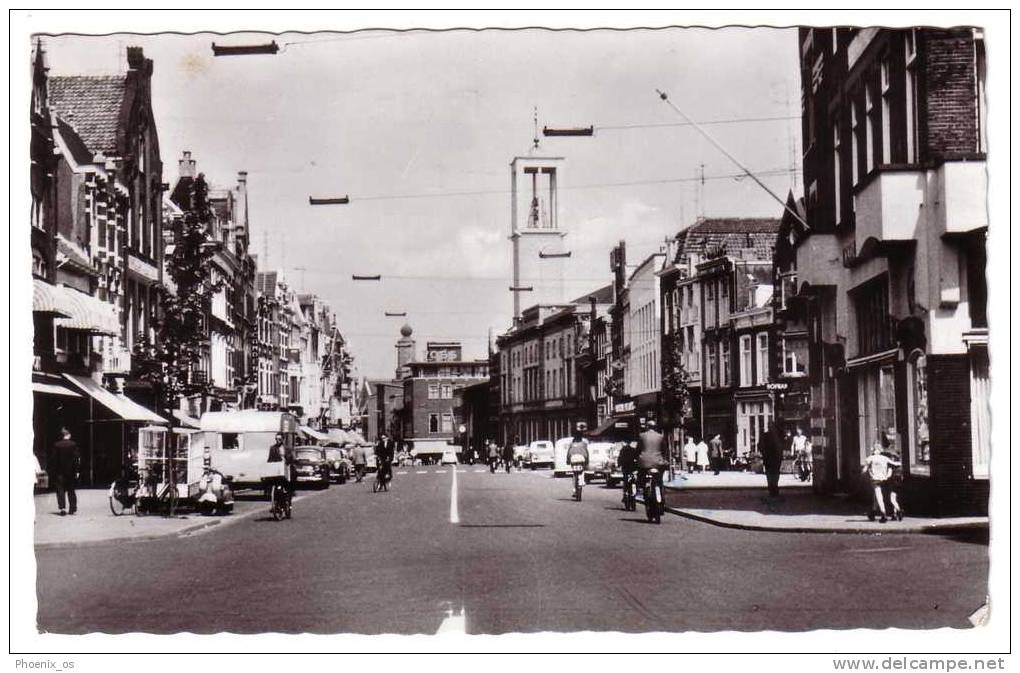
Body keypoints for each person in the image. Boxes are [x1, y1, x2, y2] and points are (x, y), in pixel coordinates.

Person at [862, 442, 899, 523]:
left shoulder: (870, 458)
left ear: (874, 450)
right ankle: (873, 512)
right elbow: (895, 464)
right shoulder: (885, 458)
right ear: (880, 450)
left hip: (875, 479)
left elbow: (864, 470)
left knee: (879, 496)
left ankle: (883, 513)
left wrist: (865, 473)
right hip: (884, 479)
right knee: (876, 496)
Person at [48, 427, 80, 516]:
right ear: (68, 435)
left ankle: (62, 508)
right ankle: (72, 508)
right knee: (71, 490)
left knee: (60, 490)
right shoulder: (73, 444)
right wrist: (77, 471)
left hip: (59, 472)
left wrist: (53, 471)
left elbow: (53, 459)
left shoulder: (56, 445)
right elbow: (76, 459)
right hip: (71, 472)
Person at [760, 423, 784, 498]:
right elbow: (781, 446)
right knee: (775, 473)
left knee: (770, 473)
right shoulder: (777, 436)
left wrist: (764, 454)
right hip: (774, 458)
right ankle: (774, 486)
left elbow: (760, 446)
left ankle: (771, 487)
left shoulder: (765, 436)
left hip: (769, 458)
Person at [565, 423, 590, 489]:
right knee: (582, 471)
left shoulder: (571, 444)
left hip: (573, 459)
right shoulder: (584, 444)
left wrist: (567, 461)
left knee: (574, 473)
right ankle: (582, 481)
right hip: (582, 459)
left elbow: (568, 453)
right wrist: (587, 461)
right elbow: (586, 453)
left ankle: (574, 489)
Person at [616, 439, 640, 505]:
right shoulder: (633, 450)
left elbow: (620, 459)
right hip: (633, 469)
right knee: (634, 481)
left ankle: (625, 494)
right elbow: (637, 458)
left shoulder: (623, 450)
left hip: (626, 469)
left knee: (626, 482)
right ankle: (633, 493)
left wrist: (619, 465)